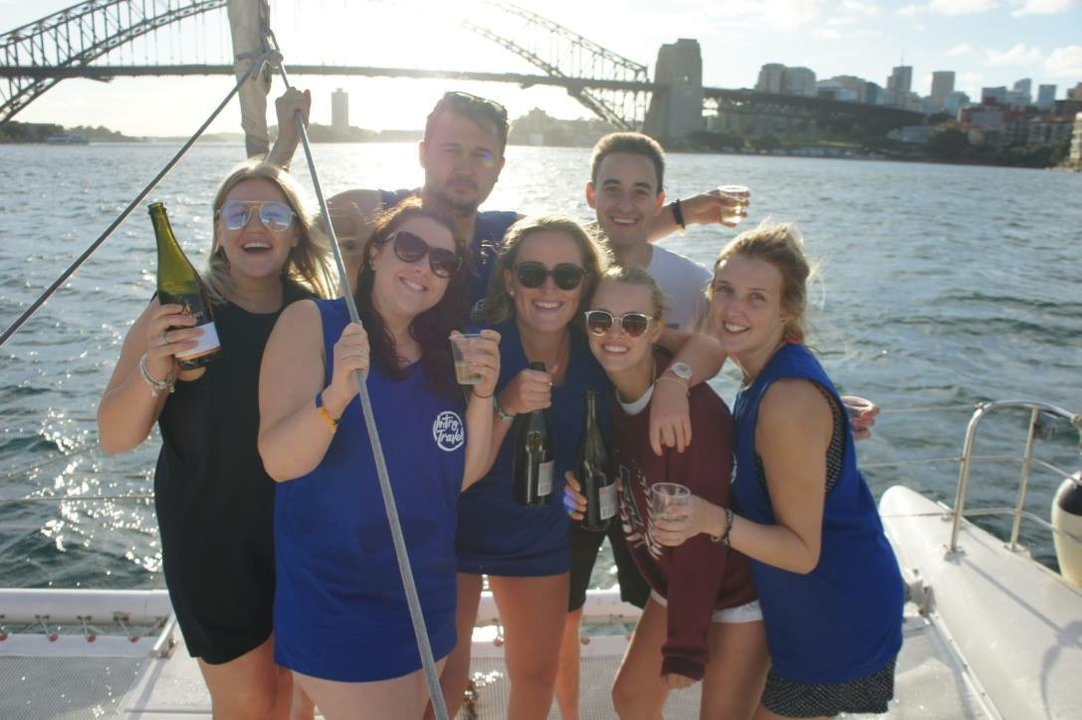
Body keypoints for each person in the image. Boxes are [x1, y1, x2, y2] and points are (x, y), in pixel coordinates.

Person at [97, 160, 337, 719]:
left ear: (295, 232)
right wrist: (157, 365)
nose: (256, 224)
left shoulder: (315, 312)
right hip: (212, 543)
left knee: (296, 696)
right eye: (238, 213)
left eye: (274, 213)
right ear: (218, 230)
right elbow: (115, 435)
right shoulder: (180, 311)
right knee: (248, 703)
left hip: (300, 536)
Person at [257, 198, 502, 719]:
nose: (423, 269)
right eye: (410, 248)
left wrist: (484, 397)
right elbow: (278, 460)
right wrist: (336, 396)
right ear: (373, 254)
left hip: (426, 599)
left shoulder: (443, 353)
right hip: (339, 601)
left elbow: (460, 477)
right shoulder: (315, 323)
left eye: (443, 262)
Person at [652, 221, 905, 719]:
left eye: (756, 298)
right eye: (724, 290)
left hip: (834, 612)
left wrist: (708, 518)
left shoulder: (785, 398)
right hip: (802, 608)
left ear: (785, 311)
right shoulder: (767, 372)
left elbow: (802, 552)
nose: (733, 310)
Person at [565, 266, 769, 719]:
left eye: (633, 323)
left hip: (733, 585)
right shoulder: (606, 396)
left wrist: (685, 647)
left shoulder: (689, 416)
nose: (615, 334)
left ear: (657, 329)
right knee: (632, 701)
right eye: (601, 320)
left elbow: (702, 537)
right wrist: (573, 492)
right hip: (674, 580)